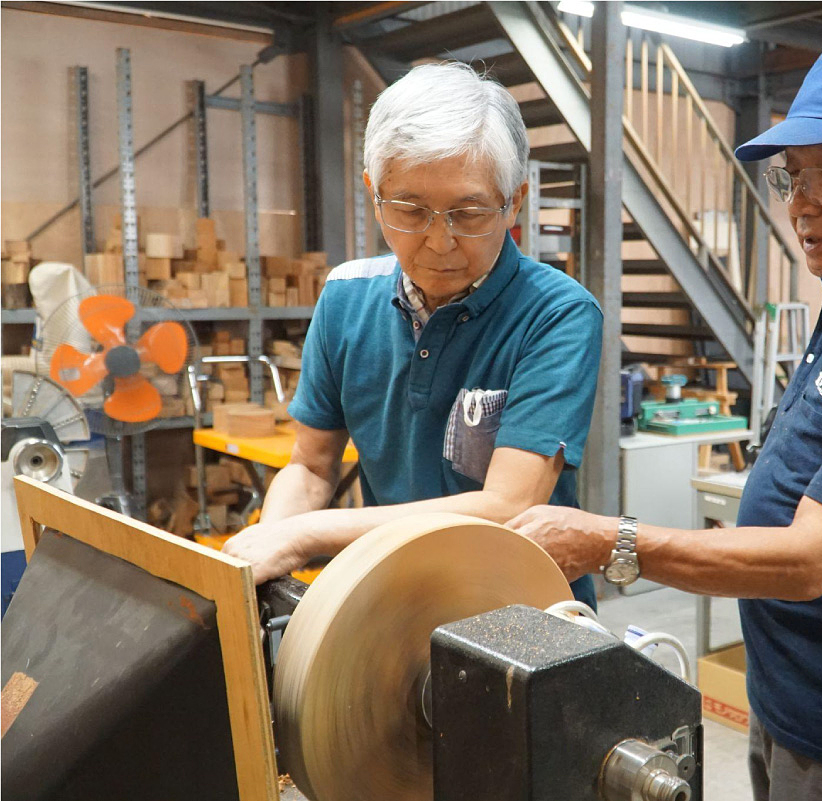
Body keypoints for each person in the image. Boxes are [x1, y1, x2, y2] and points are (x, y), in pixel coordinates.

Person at [508, 35, 822, 800]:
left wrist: (608, 540)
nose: (799, 202)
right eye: (790, 176)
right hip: (792, 701)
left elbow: (809, 559)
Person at [223, 62, 603, 609]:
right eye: (410, 211)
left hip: (522, 607)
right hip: (397, 601)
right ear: (373, 193)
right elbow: (309, 466)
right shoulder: (346, 298)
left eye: (468, 213)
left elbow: (507, 507)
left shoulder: (556, 314)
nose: (439, 241)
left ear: (513, 201)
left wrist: (307, 536)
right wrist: (267, 549)